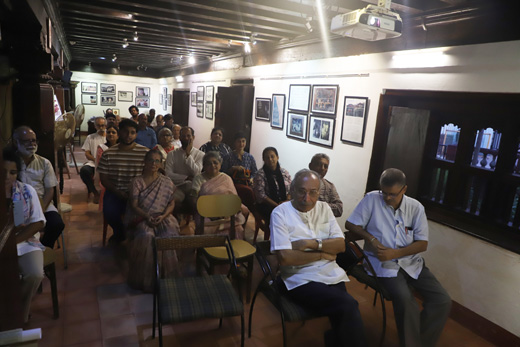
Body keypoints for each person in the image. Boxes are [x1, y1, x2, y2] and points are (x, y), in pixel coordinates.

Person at [345, 168, 451, 347]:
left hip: (411, 262)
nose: (387, 198)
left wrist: (395, 253)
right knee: (406, 300)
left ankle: (420, 343)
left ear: (404, 189)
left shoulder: (416, 208)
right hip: (382, 264)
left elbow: (422, 244)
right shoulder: (372, 199)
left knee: (442, 300)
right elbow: (350, 224)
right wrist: (370, 238)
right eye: (384, 192)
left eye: (392, 194)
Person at [270, 169, 366, 347]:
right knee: (348, 305)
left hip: (330, 273)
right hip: (298, 278)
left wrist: (311, 244)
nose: (307, 198)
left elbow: (340, 245)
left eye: (313, 192)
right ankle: (333, 339)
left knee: (344, 313)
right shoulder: (280, 213)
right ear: (292, 190)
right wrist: (323, 253)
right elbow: (285, 258)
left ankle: (334, 340)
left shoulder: (324, 208)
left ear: (319, 192)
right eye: (301, 191)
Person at [125, 149, 180, 292]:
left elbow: (171, 204)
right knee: (147, 237)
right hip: (142, 217)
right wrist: (147, 216)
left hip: (164, 217)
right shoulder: (137, 182)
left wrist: (163, 216)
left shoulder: (166, 181)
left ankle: (166, 278)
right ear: (144, 162)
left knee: (167, 237)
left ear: (161, 164)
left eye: (157, 161)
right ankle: (148, 281)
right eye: (150, 160)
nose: (153, 164)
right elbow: (134, 205)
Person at [3, 147, 46, 324]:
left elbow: (38, 222)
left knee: (35, 273)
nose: (7, 177)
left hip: (23, 241)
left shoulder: (25, 191)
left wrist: (13, 242)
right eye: (3, 172)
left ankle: (18, 314)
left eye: (12, 172)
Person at [97, 119, 149, 243]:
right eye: (125, 132)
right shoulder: (108, 154)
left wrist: (137, 192)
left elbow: (150, 174)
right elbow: (103, 179)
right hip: (116, 191)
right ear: (119, 132)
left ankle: (139, 235)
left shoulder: (145, 152)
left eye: (132, 132)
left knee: (149, 210)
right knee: (110, 211)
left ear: (136, 134)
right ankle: (120, 232)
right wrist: (119, 192)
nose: (129, 135)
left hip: (139, 192)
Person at [13, 126, 65, 248]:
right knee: (17, 227)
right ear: (16, 142)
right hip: (18, 203)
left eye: (34, 140)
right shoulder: (11, 163)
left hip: (42, 203)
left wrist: (39, 209)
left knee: (57, 224)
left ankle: (44, 248)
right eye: (27, 141)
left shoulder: (44, 163)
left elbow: (49, 190)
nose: (32, 144)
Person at [191, 151, 248, 239]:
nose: (213, 165)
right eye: (209, 164)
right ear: (204, 166)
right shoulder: (198, 179)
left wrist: (225, 212)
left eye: (215, 163)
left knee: (238, 229)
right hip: (205, 215)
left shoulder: (226, 179)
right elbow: (194, 199)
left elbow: (233, 198)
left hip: (226, 215)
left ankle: (231, 251)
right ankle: (206, 252)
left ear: (220, 164)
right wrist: (208, 212)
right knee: (205, 230)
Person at [253, 147, 291, 240]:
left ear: (277, 157)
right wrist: (277, 206)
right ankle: (276, 242)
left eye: (272, 156)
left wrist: (286, 201)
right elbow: (261, 196)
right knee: (278, 217)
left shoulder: (284, 173)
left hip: (284, 203)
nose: (270, 159)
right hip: (267, 205)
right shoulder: (260, 174)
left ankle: (290, 241)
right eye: (267, 158)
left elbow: (291, 190)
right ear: (264, 160)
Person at [165, 126, 204, 205]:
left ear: (193, 137)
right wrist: (186, 177)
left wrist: (188, 155)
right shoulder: (172, 154)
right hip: (177, 186)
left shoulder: (200, 154)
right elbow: (168, 174)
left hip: (194, 187)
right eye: (183, 136)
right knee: (174, 201)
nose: (186, 138)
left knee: (194, 201)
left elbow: (196, 173)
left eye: (188, 136)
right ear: (179, 137)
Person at [80, 116, 106, 204]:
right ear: (95, 126)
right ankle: (95, 193)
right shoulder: (90, 137)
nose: (101, 128)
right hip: (94, 163)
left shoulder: (110, 136)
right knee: (84, 171)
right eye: (99, 126)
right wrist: (96, 160)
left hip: (107, 164)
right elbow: (87, 154)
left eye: (103, 125)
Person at [308, 153, 343, 217]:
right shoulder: (299, 182)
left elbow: (339, 209)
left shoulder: (330, 186)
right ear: (310, 166)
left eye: (326, 166)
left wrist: (317, 205)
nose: (322, 168)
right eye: (319, 165)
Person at [95, 125, 119, 211]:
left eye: (113, 132)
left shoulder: (121, 148)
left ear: (118, 135)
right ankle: (106, 210)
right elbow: (101, 163)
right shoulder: (102, 148)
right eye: (108, 132)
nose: (111, 134)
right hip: (106, 175)